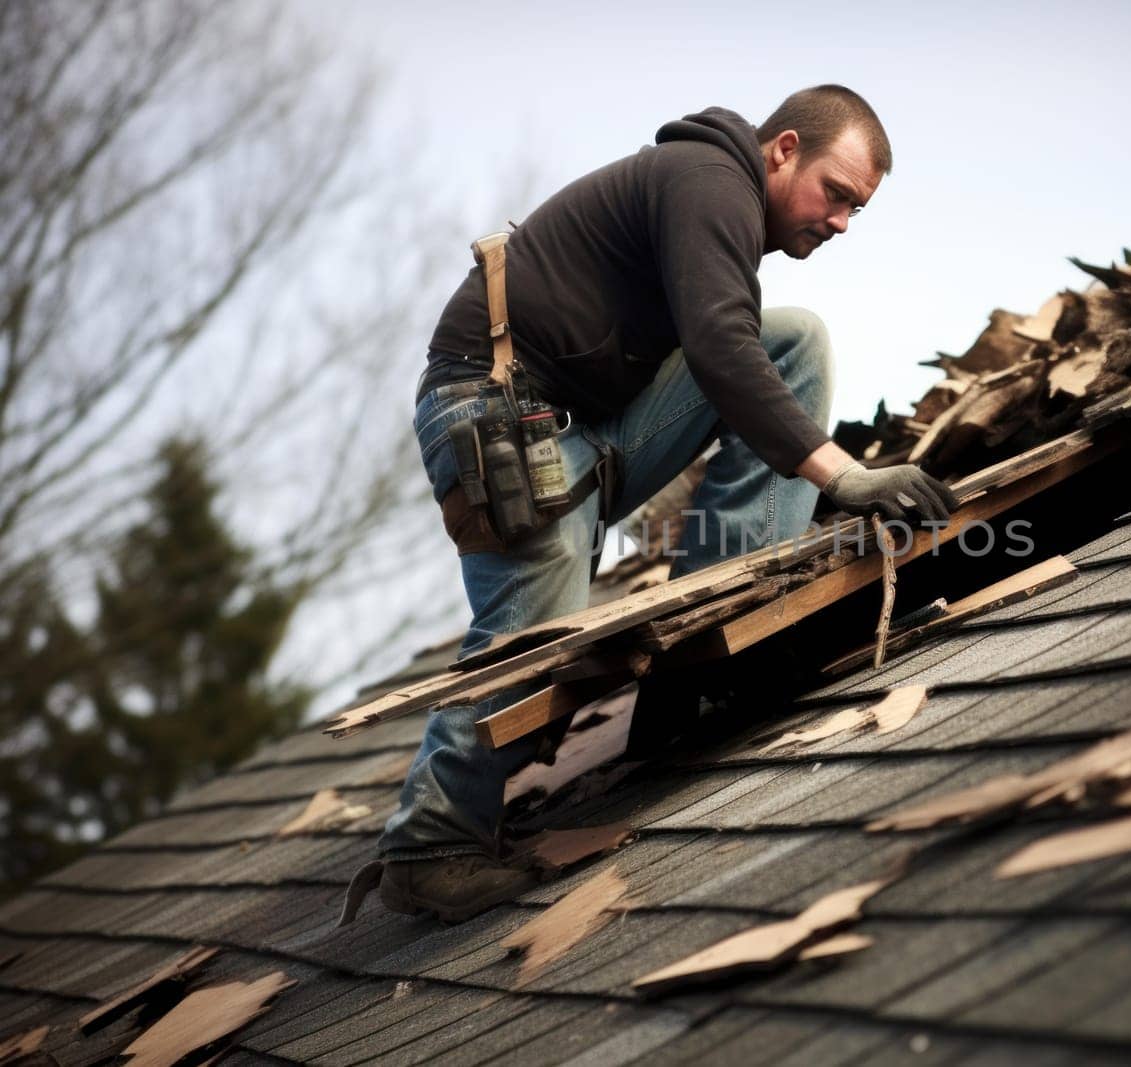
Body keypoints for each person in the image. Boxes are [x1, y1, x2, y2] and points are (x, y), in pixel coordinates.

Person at [375, 85, 958, 922]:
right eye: (836, 194)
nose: (840, 224)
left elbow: (736, 348)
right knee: (532, 645)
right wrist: (843, 477)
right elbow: (720, 348)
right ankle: (427, 843)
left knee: (793, 342)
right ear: (784, 149)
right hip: (498, 412)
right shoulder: (709, 180)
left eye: (857, 212)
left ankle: (723, 632)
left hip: (597, 424)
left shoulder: (724, 210)